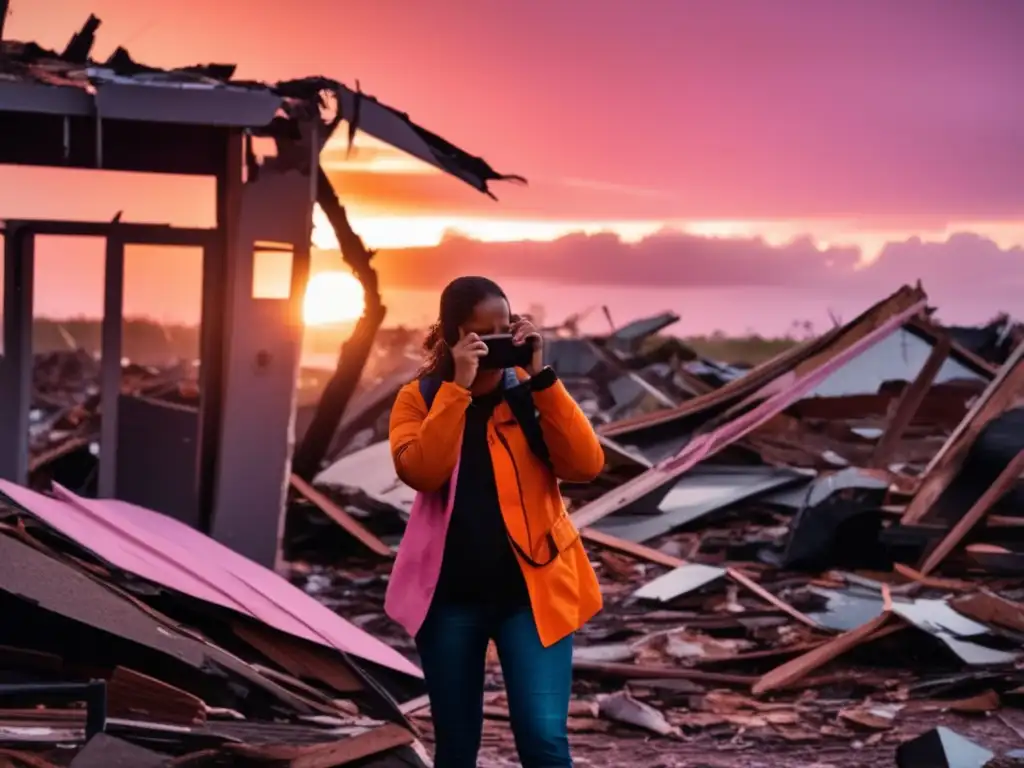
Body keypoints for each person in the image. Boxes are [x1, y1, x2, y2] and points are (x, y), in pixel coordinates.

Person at [384, 276, 605, 768]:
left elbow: (586, 466)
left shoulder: (531, 396)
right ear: (452, 336)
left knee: (544, 741)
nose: (498, 342)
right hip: (449, 600)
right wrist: (457, 390)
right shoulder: (418, 400)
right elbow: (422, 471)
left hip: (533, 595)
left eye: (507, 329)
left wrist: (542, 379)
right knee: (458, 748)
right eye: (484, 334)